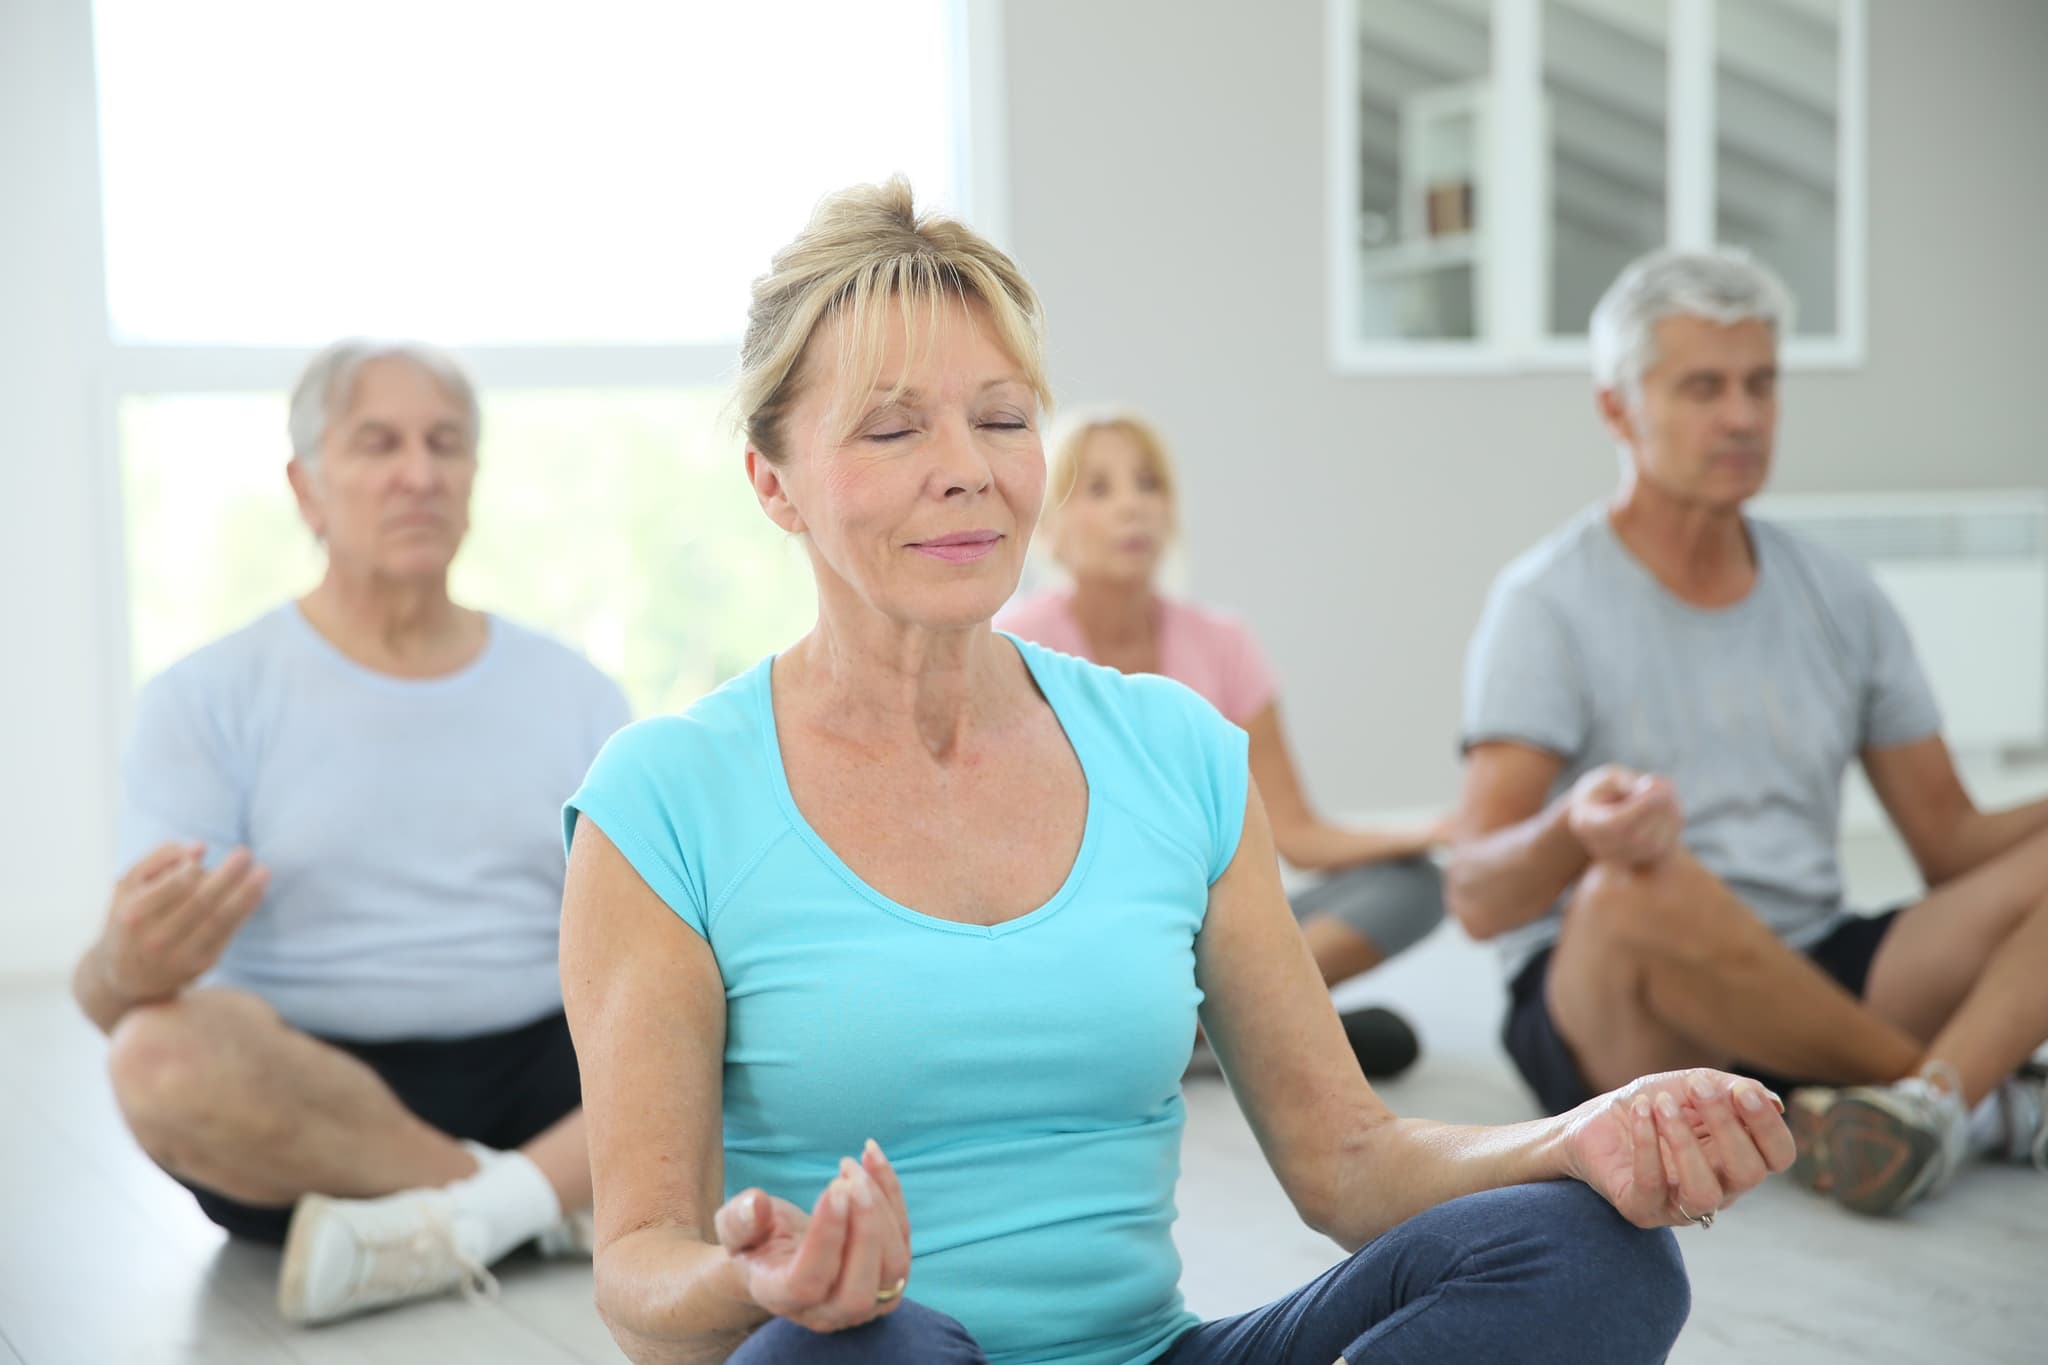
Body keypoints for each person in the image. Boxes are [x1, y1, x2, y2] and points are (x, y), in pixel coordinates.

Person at [557, 179, 1791, 1365]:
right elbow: (640, 1279)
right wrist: (757, 1281)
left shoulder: (1175, 747)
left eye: (1000, 418)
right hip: (870, 1354)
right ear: (770, 480)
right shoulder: (663, 800)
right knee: (869, 1348)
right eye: (891, 428)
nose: (968, 467)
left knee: (1585, 1250)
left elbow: (1346, 1161)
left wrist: (1576, 1135)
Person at [1449, 247, 2048, 1219]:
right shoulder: (1544, 603)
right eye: (1701, 387)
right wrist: (1573, 832)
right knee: (1634, 891)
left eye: (1760, 385)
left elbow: (1949, 843)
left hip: (1812, 961)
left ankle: (1921, 1105)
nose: (1740, 415)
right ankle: (1962, 1095)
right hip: (1618, 1005)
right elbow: (1472, 895)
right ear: (1616, 409)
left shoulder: (1838, 595)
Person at [74, 340, 632, 1323]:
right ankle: (530, 1205)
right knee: (153, 1056)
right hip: (304, 1107)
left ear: (472, 477)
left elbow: (647, 945)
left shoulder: (574, 693)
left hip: (552, 1077)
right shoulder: (208, 697)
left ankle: (465, 1217)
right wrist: (127, 962)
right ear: (307, 485)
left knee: (738, 996)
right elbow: (106, 995)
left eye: (444, 444)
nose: (417, 472)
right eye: (378, 443)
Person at [996, 410, 1446, 1077]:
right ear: (1051, 527)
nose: (1132, 506)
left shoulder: (1225, 642)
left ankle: (1196, 1027)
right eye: (1099, 488)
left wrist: (1435, 828)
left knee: (1415, 884)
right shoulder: (1014, 646)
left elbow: (1296, 830)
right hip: (1093, 933)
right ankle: (1233, 1026)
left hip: (1215, 930)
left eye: (1147, 484)